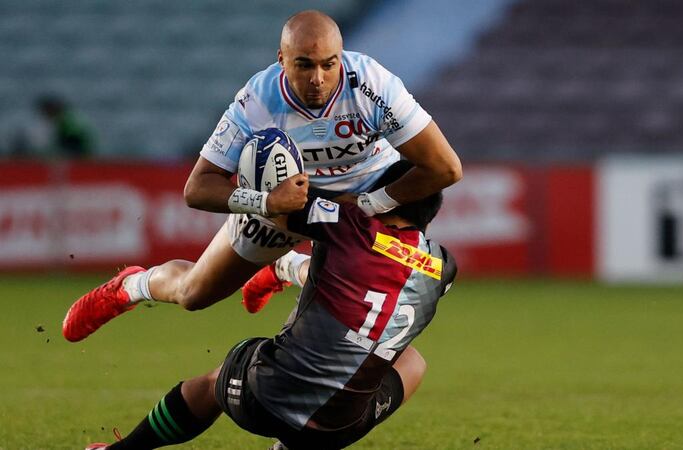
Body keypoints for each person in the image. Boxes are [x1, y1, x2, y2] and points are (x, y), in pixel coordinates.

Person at [62, 9, 461, 342]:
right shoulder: (257, 102)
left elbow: (445, 168)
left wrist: (365, 204)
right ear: (282, 60)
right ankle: (131, 286)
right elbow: (197, 188)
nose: (318, 78)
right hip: (285, 203)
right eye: (304, 65)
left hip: (367, 196)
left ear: (342, 57)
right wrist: (266, 202)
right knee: (194, 294)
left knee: (384, 279)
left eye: (329, 64)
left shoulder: (373, 85)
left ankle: (287, 270)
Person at [84, 160, 457, 450]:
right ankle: (284, 269)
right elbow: (374, 278)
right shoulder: (443, 266)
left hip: (264, 401)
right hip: (339, 430)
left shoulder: (351, 227)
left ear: (385, 196)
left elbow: (282, 205)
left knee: (213, 382)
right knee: (412, 360)